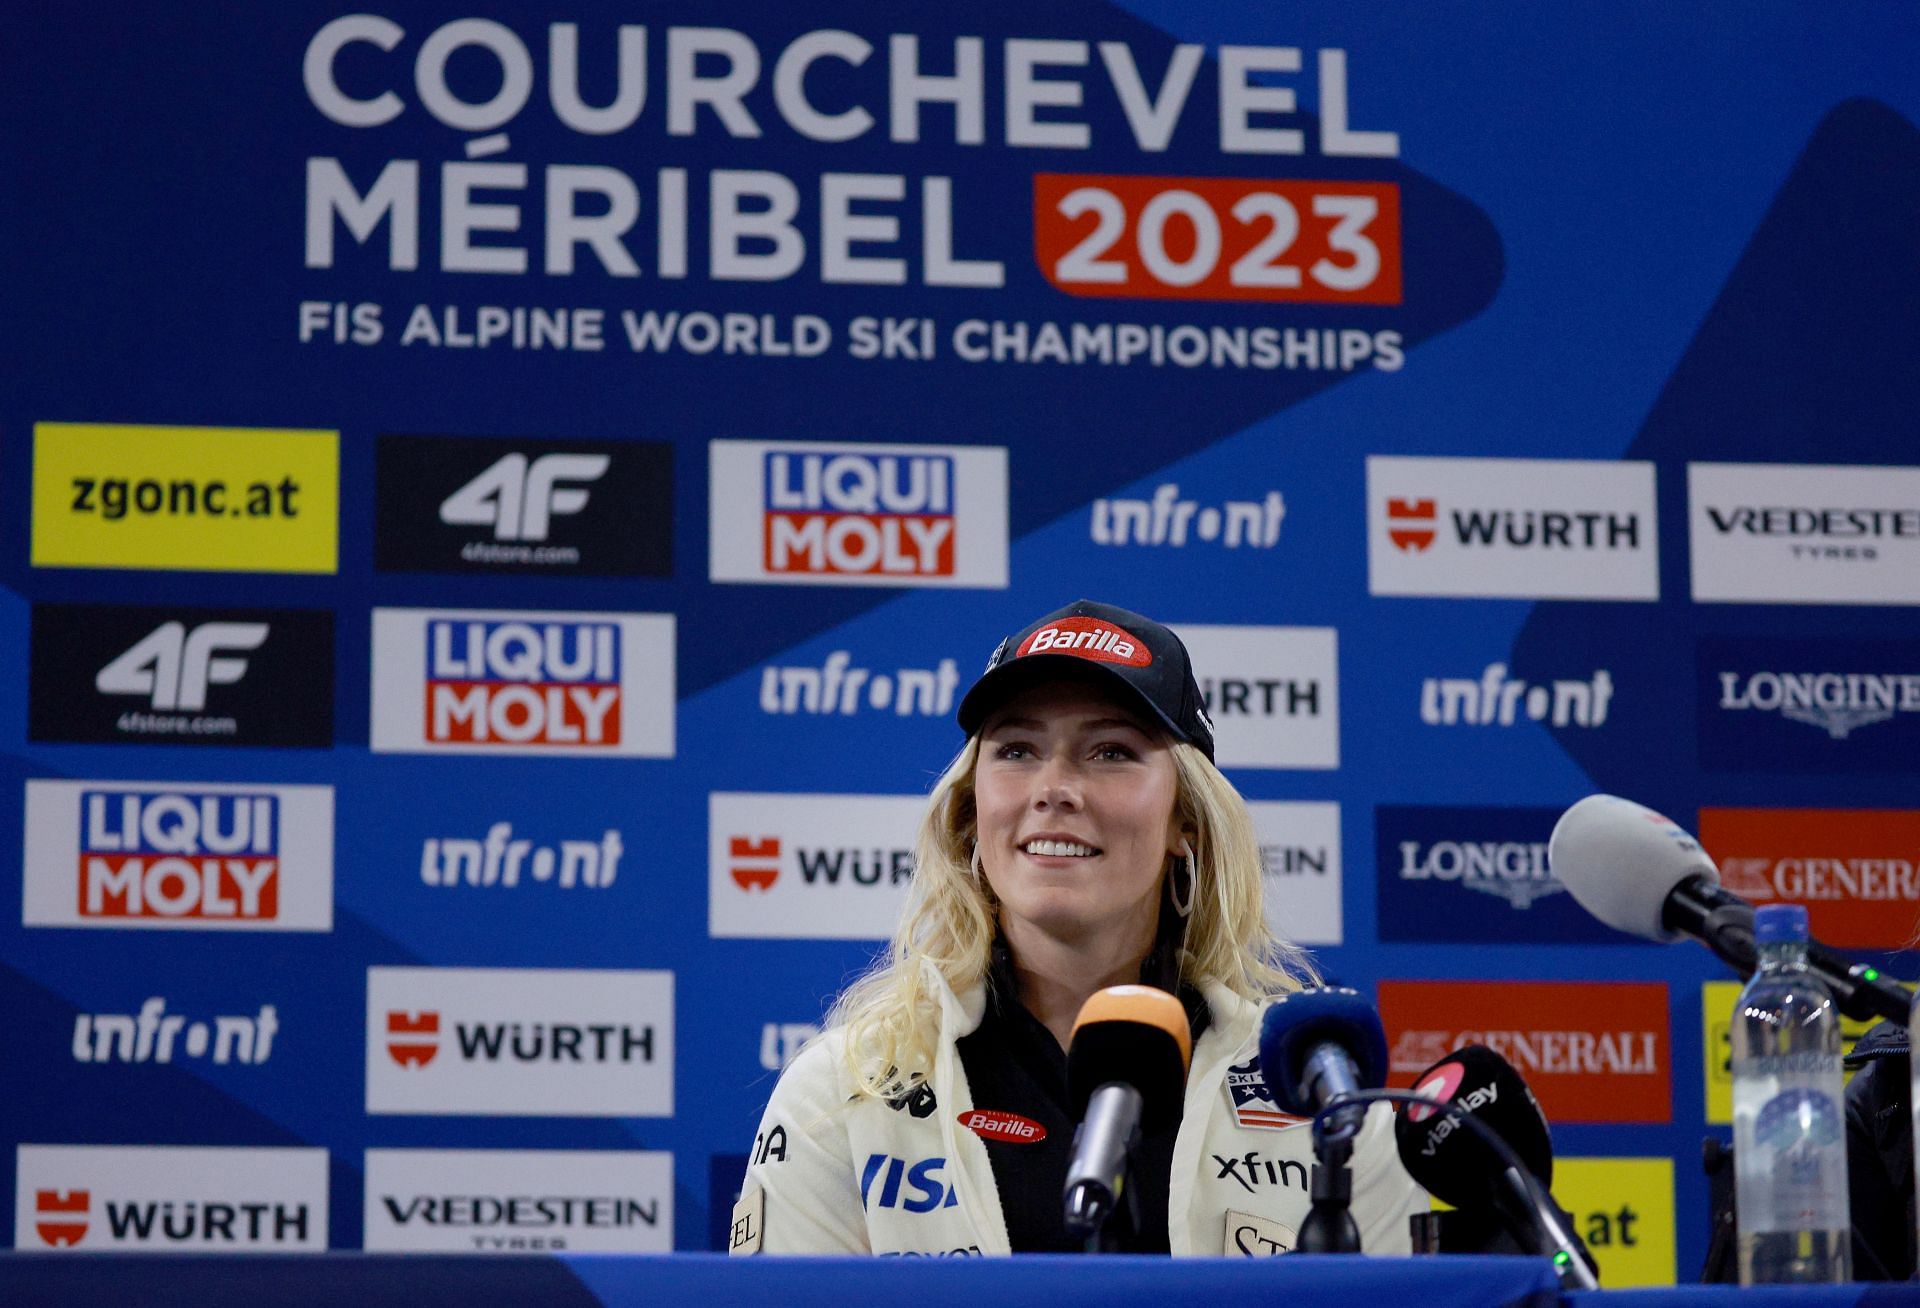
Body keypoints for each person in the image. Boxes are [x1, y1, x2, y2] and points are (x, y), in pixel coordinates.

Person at [730, 599, 1423, 1256]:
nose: (1053, 787)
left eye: (1111, 752)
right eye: (1017, 749)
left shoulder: (1319, 1099)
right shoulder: (842, 1090)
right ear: (973, 812)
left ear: (1186, 817)